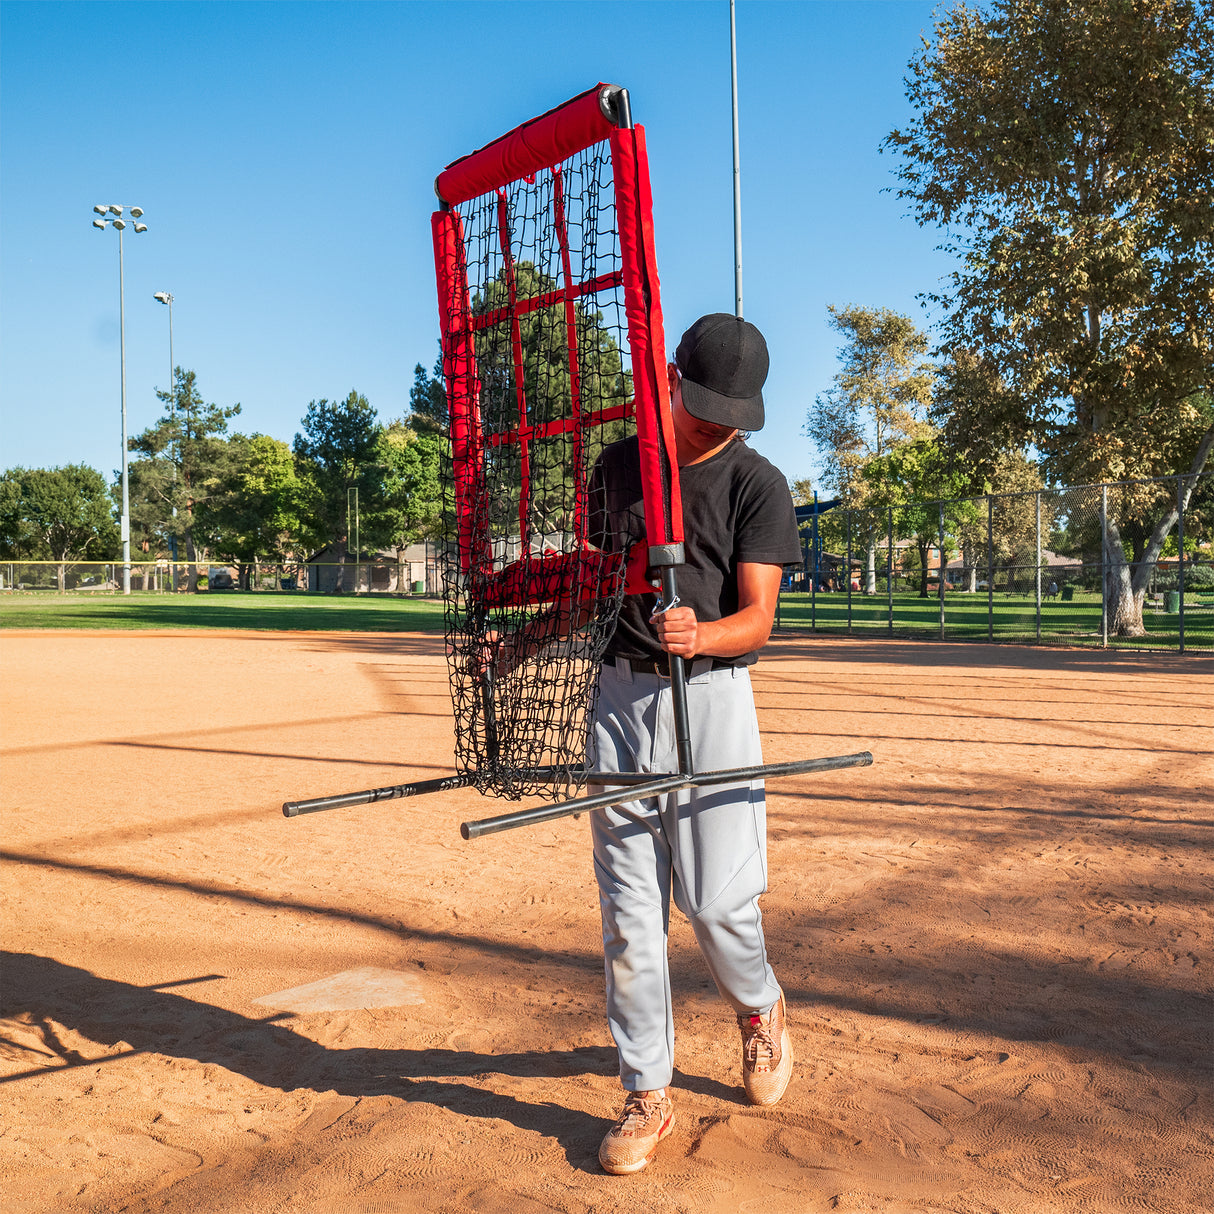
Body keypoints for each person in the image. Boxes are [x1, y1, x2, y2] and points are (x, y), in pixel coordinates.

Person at [584, 313, 803, 1175]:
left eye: (731, 413)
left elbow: (757, 621)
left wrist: (699, 637)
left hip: (711, 701)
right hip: (618, 701)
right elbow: (596, 588)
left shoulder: (759, 483)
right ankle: (646, 1087)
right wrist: (520, 639)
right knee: (630, 919)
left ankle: (760, 1010)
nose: (716, 423)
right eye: (704, 404)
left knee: (716, 903)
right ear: (669, 376)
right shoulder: (617, 469)